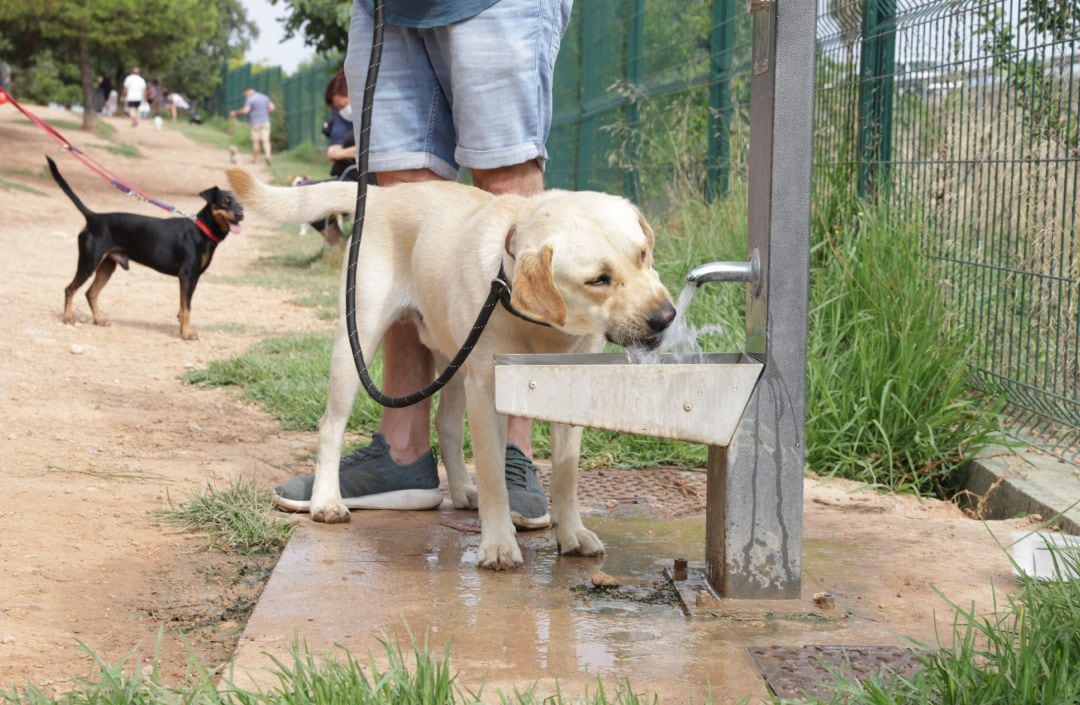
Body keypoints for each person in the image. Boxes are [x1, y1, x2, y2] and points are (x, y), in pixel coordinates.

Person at [273, 0, 574, 530]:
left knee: (507, 189)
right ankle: (403, 451)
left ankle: (513, 451)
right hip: (386, 9)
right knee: (402, 200)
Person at [229, 87, 276, 166]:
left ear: (248, 91)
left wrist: (235, 112)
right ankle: (268, 156)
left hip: (255, 122)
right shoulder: (265, 97)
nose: (246, 95)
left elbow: (246, 110)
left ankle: (255, 159)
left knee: (255, 141)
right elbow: (272, 107)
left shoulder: (250, 99)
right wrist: (265, 113)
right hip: (266, 121)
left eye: (245, 94)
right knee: (266, 140)